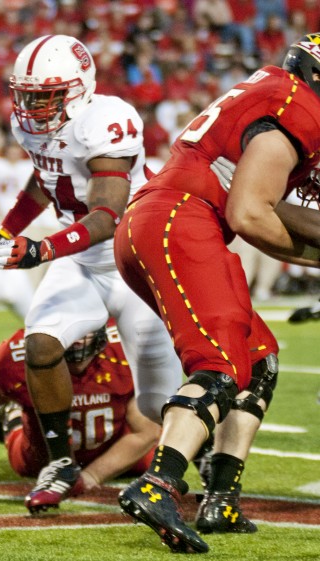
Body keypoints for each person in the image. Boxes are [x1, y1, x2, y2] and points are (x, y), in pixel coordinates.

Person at [111, 34, 320, 553]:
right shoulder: (297, 107)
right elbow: (249, 214)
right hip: (179, 220)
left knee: (259, 359)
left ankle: (221, 499)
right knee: (221, 365)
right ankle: (158, 485)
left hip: (161, 219)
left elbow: (256, 201)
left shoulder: (273, 91)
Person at [0, 35, 182, 514]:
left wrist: (41, 248)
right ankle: (60, 462)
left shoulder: (105, 121)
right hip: (80, 256)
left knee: (158, 400)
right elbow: (45, 180)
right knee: (41, 345)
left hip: (132, 256)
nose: (31, 107)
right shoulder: (32, 127)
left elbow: (107, 215)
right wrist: (5, 233)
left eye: (44, 96)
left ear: (78, 89)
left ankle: (194, 462)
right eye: (26, 95)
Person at [0, 323, 161, 492]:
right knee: (22, 451)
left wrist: (91, 476)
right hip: (40, 458)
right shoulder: (18, 356)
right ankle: (12, 417)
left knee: (162, 445)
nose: (77, 339)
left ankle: (13, 412)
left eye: (84, 328)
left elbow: (146, 432)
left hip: (119, 453)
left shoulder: (124, 350)